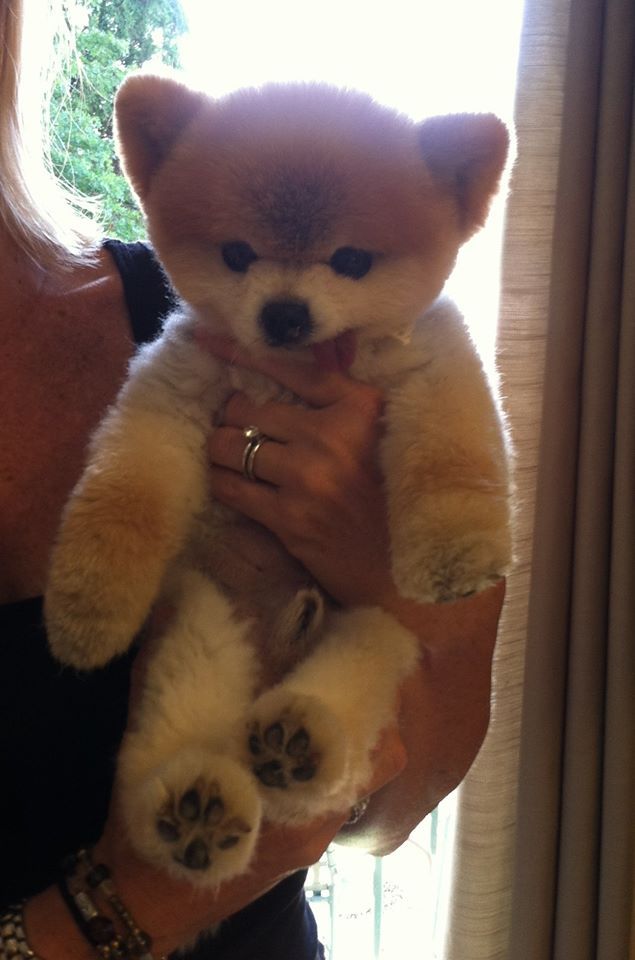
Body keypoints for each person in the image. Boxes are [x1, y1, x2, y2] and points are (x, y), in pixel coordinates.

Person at [0, 1, 506, 957]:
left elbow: (405, 798)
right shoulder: (186, 341)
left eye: (346, 264)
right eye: (239, 258)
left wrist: (408, 561)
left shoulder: (148, 298)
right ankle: (197, 809)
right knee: (194, 637)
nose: (284, 303)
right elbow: (144, 448)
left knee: (367, 651)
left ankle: (304, 750)